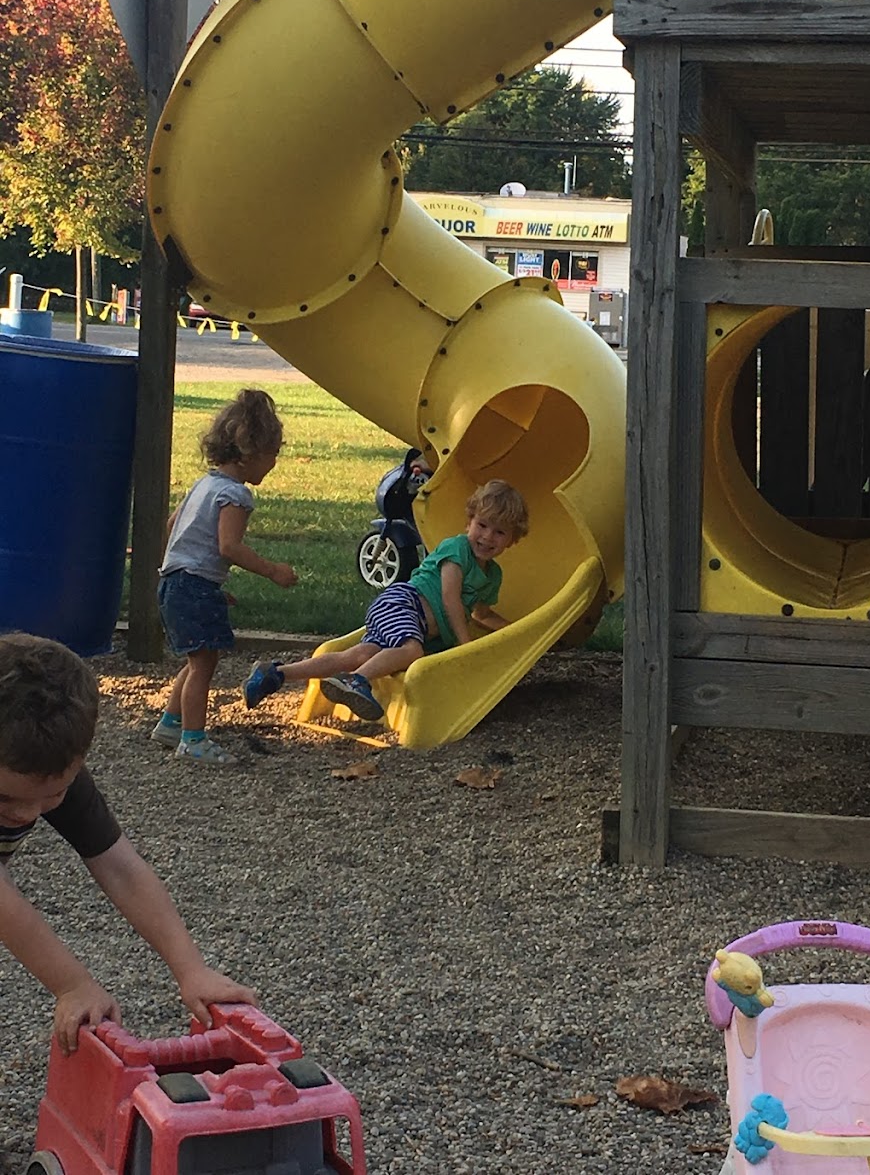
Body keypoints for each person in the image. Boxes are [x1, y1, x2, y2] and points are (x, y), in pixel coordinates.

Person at [0, 633, 256, 1056]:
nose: (29, 813)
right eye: (6, 798)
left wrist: (191, 969)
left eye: (51, 796)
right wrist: (73, 985)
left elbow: (120, 867)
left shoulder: (48, 769)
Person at [243, 478, 529, 721]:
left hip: (404, 620)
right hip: (405, 604)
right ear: (469, 522)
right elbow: (449, 597)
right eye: (482, 525)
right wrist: (464, 644)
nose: (487, 537)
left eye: (499, 532)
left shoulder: (492, 576)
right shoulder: (457, 549)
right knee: (412, 650)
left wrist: (519, 630)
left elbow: (481, 613)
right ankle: (356, 681)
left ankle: (275, 674)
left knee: (357, 656)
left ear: (512, 540)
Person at [151, 388, 298, 764]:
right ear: (252, 453)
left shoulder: (204, 484)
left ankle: (171, 722)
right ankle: (193, 739)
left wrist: (201, 581)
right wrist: (273, 571)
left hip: (174, 580)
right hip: (191, 584)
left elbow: (172, 526)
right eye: (274, 455)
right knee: (204, 664)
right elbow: (228, 547)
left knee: (197, 658)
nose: (275, 464)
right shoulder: (235, 495)